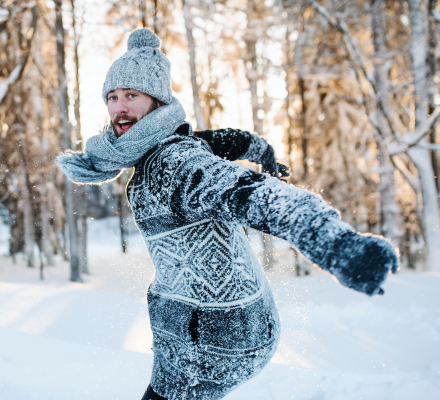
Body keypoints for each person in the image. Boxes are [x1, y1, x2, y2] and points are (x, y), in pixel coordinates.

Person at [57, 28, 398, 400]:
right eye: (112, 97)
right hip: (196, 331)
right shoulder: (170, 146)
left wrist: (336, 244)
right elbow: (218, 140)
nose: (119, 108)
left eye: (132, 96)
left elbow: (251, 193)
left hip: (212, 341)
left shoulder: (172, 163)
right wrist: (259, 147)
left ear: (157, 103)